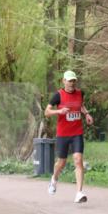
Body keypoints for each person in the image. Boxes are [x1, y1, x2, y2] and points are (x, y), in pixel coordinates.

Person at [45, 70, 94, 203]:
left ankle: (79, 192)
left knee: (78, 160)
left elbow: (81, 105)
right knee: (61, 162)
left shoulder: (80, 93)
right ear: (64, 81)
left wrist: (87, 114)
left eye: (73, 81)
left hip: (77, 132)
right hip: (63, 134)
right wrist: (59, 111)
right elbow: (47, 112)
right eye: (69, 80)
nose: (72, 83)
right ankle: (54, 179)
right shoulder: (58, 96)